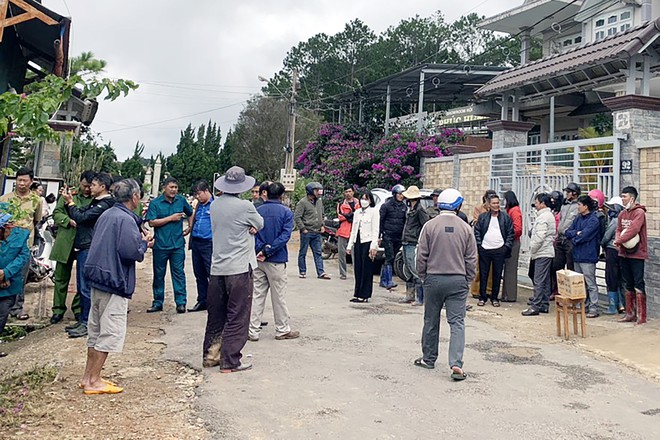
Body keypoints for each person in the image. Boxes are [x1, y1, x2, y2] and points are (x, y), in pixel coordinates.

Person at [79, 179, 153, 394]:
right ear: (135, 197)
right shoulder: (125, 219)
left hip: (98, 278)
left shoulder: (107, 214)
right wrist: (144, 243)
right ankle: (93, 380)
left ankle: (88, 376)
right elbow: (131, 252)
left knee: (95, 331)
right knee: (109, 332)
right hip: (114, 280)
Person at [203, 166, 264, 373]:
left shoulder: (215, 205)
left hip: (217, 267)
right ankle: (230, 360)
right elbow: (259, 223)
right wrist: (251, 228)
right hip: (239, 268)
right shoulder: (245, 206)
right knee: (238, 315)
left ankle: (212, 355)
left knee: (216, 314)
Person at [414, 188, 477, 381]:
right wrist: (467, 279)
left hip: (433, 279)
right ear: (458, 205)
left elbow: (421, 255)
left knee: (431, 320)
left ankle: (428, 358)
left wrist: (423, 276)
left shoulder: (430, 226)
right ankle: (456, 363)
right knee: (457, 322)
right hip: (457, 280)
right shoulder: (466, 228)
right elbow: (471, 258)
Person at [62, 172, 116, 338]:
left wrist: (71, 203)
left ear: (102, 187)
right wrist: (70, 203)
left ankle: (87, 323)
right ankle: (84, 320)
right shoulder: (96, 202)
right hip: (83, 246)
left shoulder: (106, 203)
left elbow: (82, 217)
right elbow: (79, 213)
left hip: (90, 246)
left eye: (93, 185)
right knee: (82, 285)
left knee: (87, 287)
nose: (89, 188)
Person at [248, 182, 299, 341]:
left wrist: (261, 250)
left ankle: (253, 331)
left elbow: (252, 233)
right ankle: (282, 329)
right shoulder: (286, 212)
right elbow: (285, 236)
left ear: (266, 193)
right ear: (282, 196)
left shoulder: (257, 210)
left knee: (257, 295)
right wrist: (269, 250)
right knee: (279, 296)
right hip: (276, 260)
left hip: (258, 259)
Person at [49, 170, 94, 325]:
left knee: (83, 279)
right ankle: (58, 310)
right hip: (66, 241)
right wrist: (68, 220)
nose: (87, 189)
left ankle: (77, 309)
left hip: (86, 244)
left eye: (89, 186)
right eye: (84, 185)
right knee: (61, 278)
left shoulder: (96, 199)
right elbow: (57, 213)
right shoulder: (70, 194)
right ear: (80, 182)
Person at [145, 176, 194, 314]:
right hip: (160, 245)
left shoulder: (181, 201)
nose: (173, 190)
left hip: (177, 244)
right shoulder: (155, 203)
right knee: (159, 275)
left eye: (175, 188)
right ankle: (157, 302)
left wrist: (190, 226)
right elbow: (151, 222)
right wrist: (170, 218)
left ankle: (181, 303)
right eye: (171, 187)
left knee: (178, 273)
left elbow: (190, 213)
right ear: (164, 188)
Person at [0, 167, 43, 320]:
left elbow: (36, 220)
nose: (22, 183)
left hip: (24, 244)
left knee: (20, 276)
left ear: (31, 182)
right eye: (19, 180)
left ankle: (17, 308)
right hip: (5, 244)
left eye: (25, 180)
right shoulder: (5, 199)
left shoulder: (36, 200)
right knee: (3, 273)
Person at [614, 186, 648, 325]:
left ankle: (642, 316)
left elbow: (633, 229)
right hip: (624, 253)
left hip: (637, 253)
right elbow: (619, 229)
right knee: (627, 282)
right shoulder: (622, 214)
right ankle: (630, 313)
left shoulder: (639, 213)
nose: (623, 199)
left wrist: (619, 240)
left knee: (638, 283)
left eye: (625, 196)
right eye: (622, 196)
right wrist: (618, 239)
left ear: (632, 198)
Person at [473, 194, 514, 307]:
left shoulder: (505, 217)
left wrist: (506, 247)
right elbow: (477, 231)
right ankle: (482, 297)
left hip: (499, 250)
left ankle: (494, 298)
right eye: (494, 203)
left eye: (497, 203)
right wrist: (479, 245)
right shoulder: (483, 217)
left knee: (497, 274)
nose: (496, 205)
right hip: (485, 249)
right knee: (483, 274)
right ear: (489, 205)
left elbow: (510, 233)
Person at [565, 195, 602, 318]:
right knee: (580, 284)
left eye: (580, 205)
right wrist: (576, 233)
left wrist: (576, 236)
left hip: (588, 255)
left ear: (586, 206)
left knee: (590, 283)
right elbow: (568, 232)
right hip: (577, 255)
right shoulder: (578, 218)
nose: (578, 208)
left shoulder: (593, 220)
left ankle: (593, 307)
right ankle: (582, 305)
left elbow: (585, 235)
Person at [0, 207, 30, 358]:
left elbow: (23, 257)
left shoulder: (21, 236)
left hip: (9, 284)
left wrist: (6, 274)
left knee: (2, 314)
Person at [522, 193, 555, 316]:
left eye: (536, 202)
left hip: (542, 251)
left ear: (542, 203)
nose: (535, 205)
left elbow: (540, 237)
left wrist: (533, 248)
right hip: (546, 251)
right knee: (545, 280)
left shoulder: (543, 217)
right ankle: (544, 304)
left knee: (539, 280)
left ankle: (535, 306)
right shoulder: (547, 215)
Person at [346, 189, 380, 303]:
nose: (364, 201)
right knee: (358, 268)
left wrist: (373, 246)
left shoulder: (374, 212)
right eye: (362, 198)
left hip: (368, 242)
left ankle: (365, 294)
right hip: (358, 241)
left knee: (367, 269)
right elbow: (354, 230)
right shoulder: (357, 212)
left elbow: (376, 230)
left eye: (366, 199)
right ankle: (357, 293)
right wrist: (349, 245)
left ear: (370, 200)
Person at [400, 185, 430, 305]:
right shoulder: (409, 209)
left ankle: (420, 298)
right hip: (406, 241)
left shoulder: (420, 210)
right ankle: (410, 295)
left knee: (414, 269)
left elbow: (425, 225)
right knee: (407, 269)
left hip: (413, 242)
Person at [294, 181, 330, 279]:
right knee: (303, 252)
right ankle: (302, 271)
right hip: (307, 232)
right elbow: (297, 217)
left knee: (318, 252)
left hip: (317, 232)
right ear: (310, 191)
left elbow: (321, 214)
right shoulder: (302, 202)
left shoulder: (319, 201)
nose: (318, 192)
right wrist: (303, 228)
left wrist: (322, 225)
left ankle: (321, 272)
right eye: (316, 190)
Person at [188, 180, 214, 312]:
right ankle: (202, 300)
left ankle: (215, 302)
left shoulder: (215, 205)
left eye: (199, 194)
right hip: (197, 242)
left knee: (211, 273)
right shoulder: (199, 205)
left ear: (206, 191)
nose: (197, 197)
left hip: (209, 244)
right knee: (199, 273)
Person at [552, 182, 581, 300]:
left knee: (570, 268)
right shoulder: (564, 205)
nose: (567, 194)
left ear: (574, 193)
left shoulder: (578, 206)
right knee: (556, 266)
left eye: (569, 192)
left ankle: (571, 295)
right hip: (560, 238)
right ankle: (558, 290)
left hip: (570, 239)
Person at [379, 184, 407, 290]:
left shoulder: (404, 207)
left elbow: (404, 222)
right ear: (395, 194)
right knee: (389, 257)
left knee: (391, 258)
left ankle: (383, 279)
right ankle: (388, 280)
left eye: (402, 194)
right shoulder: (386, 206)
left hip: (398, 236)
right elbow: (380, 221)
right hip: (388, 235)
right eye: (399, 194)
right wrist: (381, 234)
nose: (401, 196)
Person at [470, 189, 496, 298]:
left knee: (491, 268)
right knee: (479, 267)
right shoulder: (479, 208)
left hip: (493, 241)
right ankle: (476, 290)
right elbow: (475, 221)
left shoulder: (496, 210)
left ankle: (488, 290)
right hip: (482, 240)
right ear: (485, 199)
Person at [601, 196, 625, 315]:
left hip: (612, 249)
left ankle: (612, 306)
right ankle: (620, 304)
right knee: (619, 278)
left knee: (611, 278)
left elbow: (606, 237)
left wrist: (602, 244)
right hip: (621, 251)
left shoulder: (615, 221)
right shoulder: (623, 220)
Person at [502, 190, 522, 302]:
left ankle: (510, 295)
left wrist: (508, 235)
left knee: (510, 269)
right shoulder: (511, 210)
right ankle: (506, 294)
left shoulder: (514, 211)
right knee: (508, 269)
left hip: (513, 242)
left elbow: (518, 229)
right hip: (511, 241)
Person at [336, 186, 358, 280]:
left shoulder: (358, 203)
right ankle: (343, 274)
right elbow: (340, 216)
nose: (348, 193)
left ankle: (357, 273)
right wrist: (351, 215)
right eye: (346, 191)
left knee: (355, 254)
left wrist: (348, 216)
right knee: (341, 254)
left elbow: (358, 215)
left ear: (353, 192)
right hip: (343, 231)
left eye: (350, 191)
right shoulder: (341, 204)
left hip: (355, 231)